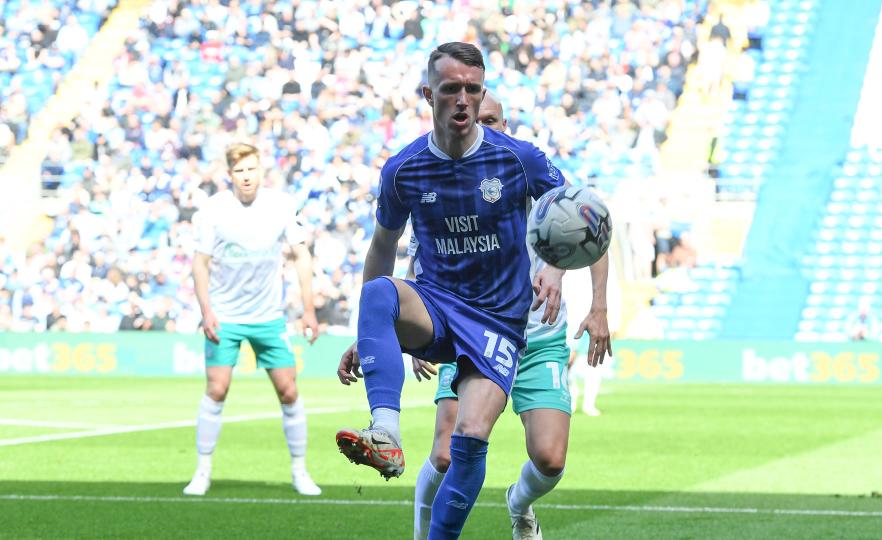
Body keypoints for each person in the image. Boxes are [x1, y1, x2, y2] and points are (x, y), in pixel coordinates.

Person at [335, 42, 566, 539]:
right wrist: (370, 331)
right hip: (437, 306)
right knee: (377, 293)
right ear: (428, 94)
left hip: (498, 321)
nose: (463, 99)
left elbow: (573, 210)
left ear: (481, 93)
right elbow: (382, 247)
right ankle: (386, 432)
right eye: (450, 89)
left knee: (469, 438)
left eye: (472, 89)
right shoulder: (404, 168)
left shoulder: (517, 159)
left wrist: (553, 267)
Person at [408, 92, 612, 540]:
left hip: (538, 339)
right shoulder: (443, 184)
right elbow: (418, 263)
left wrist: (596, 305)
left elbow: (591, 225)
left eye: (492, 120)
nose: (483, 129)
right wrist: (417, 332)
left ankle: (519, 504)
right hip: (469, 337)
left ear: (505, 125)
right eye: (476, 121)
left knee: (550, 458)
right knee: (444, 454)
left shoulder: (529, 171)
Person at [184, 142, 322, 497]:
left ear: (261, 170)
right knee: (216, 389)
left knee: (289, 390)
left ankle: (299, 470)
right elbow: (200, 263)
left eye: (251, 169)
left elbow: (301, 256)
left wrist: (308, 309)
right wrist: (206, 310)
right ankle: (202, 471)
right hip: (225, 316)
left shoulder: (281, 205)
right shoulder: (213, 210)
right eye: (239, 171)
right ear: (229, 174)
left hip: (268, 317)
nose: (246, 176)